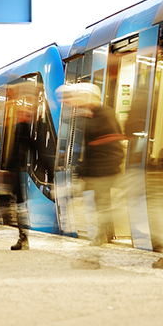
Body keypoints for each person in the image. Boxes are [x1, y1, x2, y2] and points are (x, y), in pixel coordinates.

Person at [58, 83, 125, 247]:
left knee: (102, 207)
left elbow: (108, 144)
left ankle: (99, 238)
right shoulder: (90, 116)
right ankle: (98, 237)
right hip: (94, 173)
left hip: (104, 172)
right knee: (98, 206)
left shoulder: (103, 114)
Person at [6, 103, 36, 250]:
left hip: (17, 173)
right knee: (19, 206)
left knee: (20, 206)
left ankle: (23, 239)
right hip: (16, 173)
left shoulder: (21, 128)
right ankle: (23, 238)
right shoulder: (21, 127)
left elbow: (29, 148)